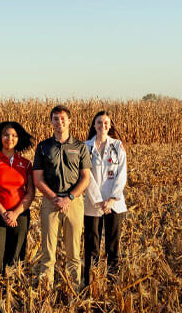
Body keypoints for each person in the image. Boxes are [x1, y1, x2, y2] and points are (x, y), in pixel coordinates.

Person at [32, 105, 91, 291]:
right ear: (51, 122)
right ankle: (45, 291)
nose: (60, 122)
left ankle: (74, 290)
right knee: (48, 252)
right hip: (50, 203)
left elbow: (85, 178)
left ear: (70, 120)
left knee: (73, 252)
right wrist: (54, 198)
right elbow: (37, 179)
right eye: (56, 119)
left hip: (74, 202)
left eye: (63, 118)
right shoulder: (43, 147)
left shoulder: (80, 147)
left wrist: (69, 197)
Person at [0, 120, 35, 296]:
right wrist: (4, 213)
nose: (9, 138)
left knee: (16, 255)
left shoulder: (25, 164)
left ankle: (12, 294)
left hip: (20, 216)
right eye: (6, 135)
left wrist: (15, 213)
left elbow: (30, 192)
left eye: (14, 136)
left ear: (19, 139)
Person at [82, 111, 128, 285]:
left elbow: (121, 174)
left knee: (112, 246)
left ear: (110, 125)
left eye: (106, 123)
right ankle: (90, 283)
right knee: (91, 246)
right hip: (93, 204)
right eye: (99, 123)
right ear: (94, 125)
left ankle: (112, 283)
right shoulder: (85, 147)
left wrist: (111, 200)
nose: (102, 126)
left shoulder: (117, 146)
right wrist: (98, 200)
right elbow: (86, 175)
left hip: (114, 204)